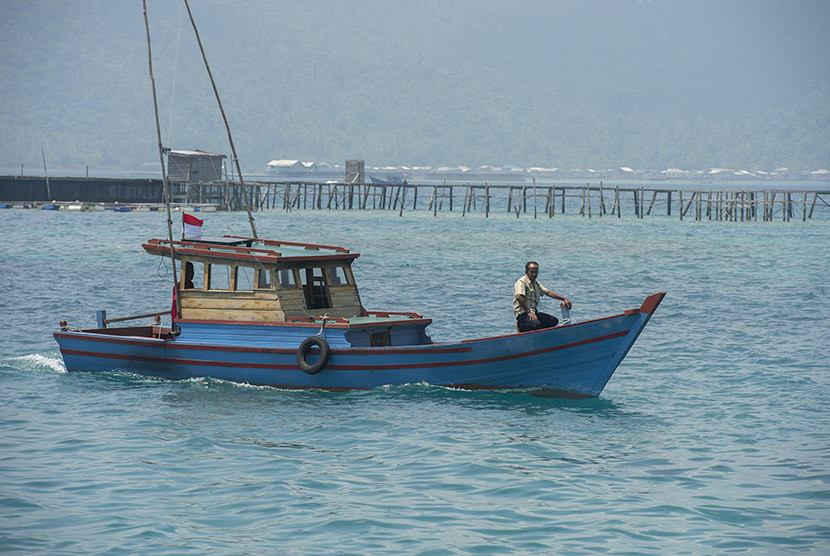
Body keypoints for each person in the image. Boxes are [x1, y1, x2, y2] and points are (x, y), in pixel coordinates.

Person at [513, 261, 572, 332]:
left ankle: (538, 334)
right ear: (526, 272)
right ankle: (520, 326)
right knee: (536, 325)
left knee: (553, 321)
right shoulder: (521, 282)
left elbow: (548, 292)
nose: (534, 274)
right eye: (531, 272)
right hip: (523, 313)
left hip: (534, 312)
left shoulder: (536, 283)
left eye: (536, 272)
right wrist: (528, 312)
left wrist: (563, 299)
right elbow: (519, 297)